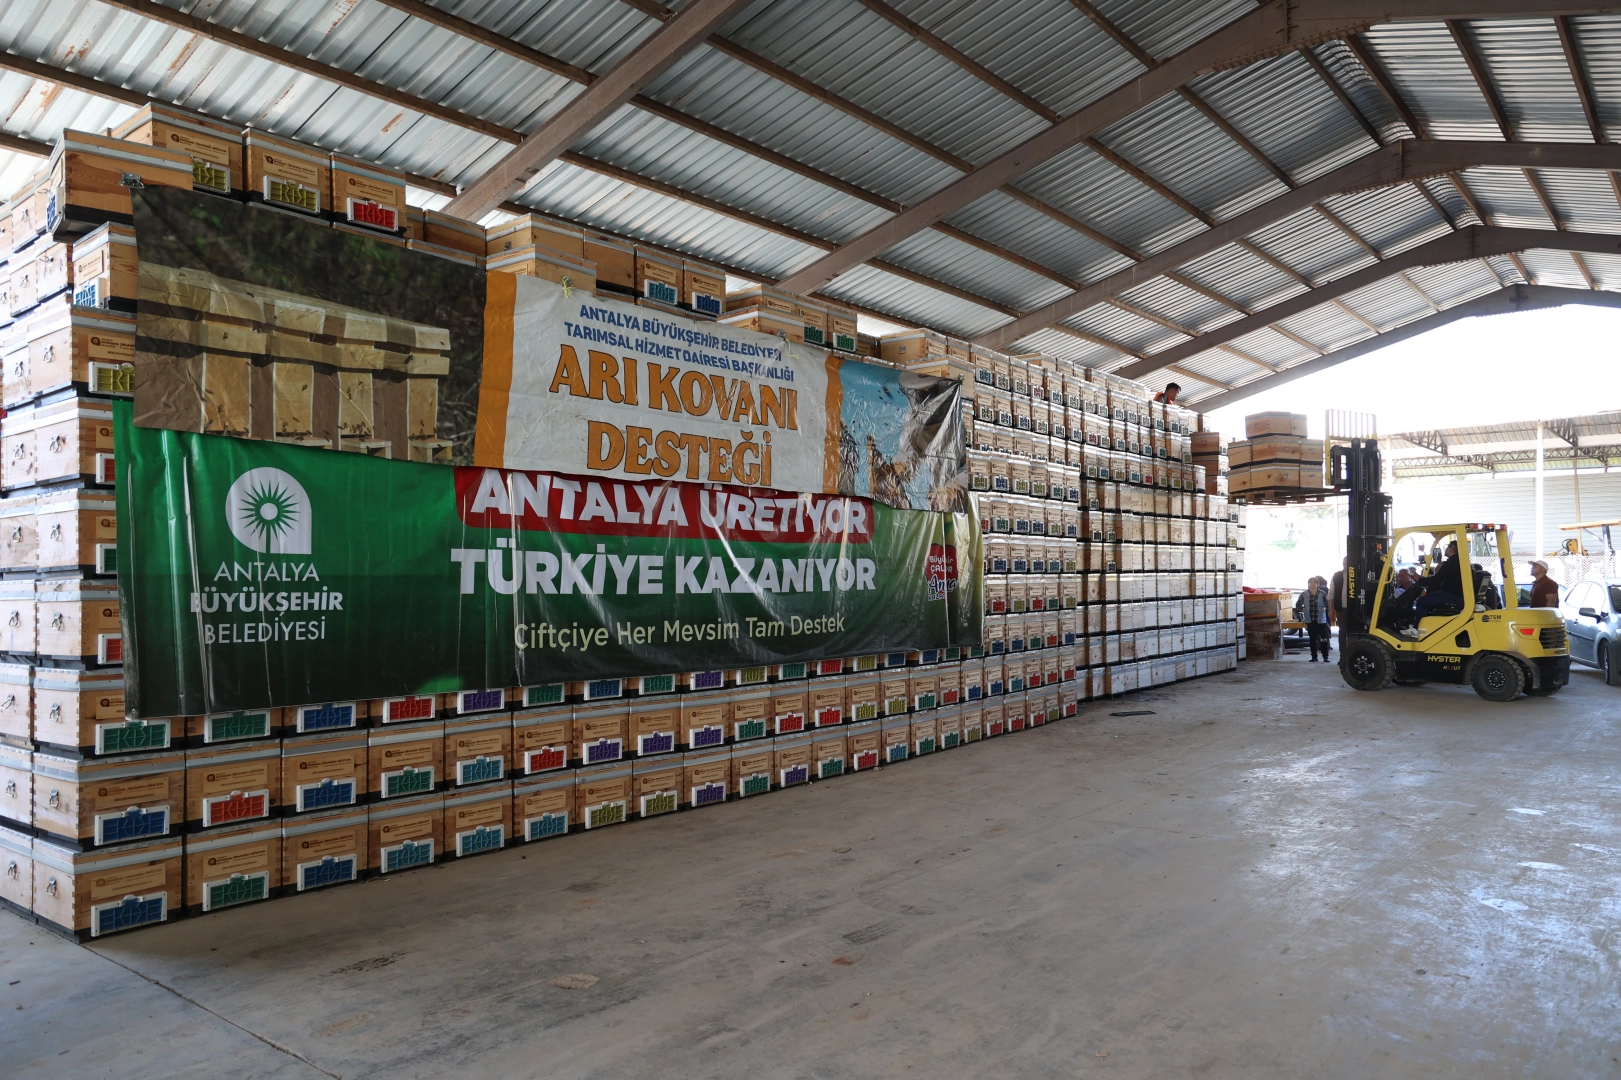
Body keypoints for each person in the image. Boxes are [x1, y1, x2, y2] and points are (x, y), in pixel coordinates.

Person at [1405, 540, 1464, 635]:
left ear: (1452, 549)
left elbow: (1436, 580)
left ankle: (1417, 630)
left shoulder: (1450, 563)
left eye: (1447, 547)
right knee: (1430, 599)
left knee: (1422, 602)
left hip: (1450, 594)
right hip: (1456, 594)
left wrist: (1419, 579)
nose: (1446, 549)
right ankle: (1425, 627)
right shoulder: (1461, 562)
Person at [1294, 576, 1332, 662]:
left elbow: (1328, 604)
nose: (1312, 584)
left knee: (1323, 638)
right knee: (1312, 639)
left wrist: (1325, 608)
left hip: (1321, 620)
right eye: (1310, 582)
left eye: (1314, 582)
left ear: (1317, 584)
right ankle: (1314, 657)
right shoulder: (1304, 594)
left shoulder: (1322, 593)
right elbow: (1298, 605)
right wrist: (1302, 609)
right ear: (1308, 584)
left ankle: (1325, 656)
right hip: (1310, 619)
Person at [1330, 556, 1349, 644]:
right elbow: (1331, 593)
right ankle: (1343, 650)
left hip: (1354, 609)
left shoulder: (1357, 575)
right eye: (1344, 561)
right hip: (1340, 608)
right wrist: (1331, 610)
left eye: (1347, 561)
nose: (1345, 562)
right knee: (1342, 630)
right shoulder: (1337, 575)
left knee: (1353, 630)